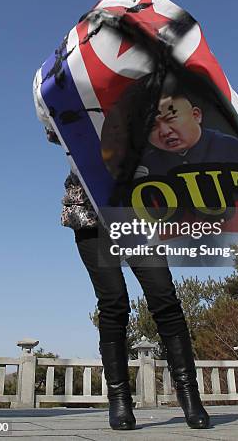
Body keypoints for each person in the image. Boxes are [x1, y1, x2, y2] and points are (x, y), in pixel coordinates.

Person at [43, 127, 210, 431]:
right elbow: (55, 131)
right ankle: (119, 399)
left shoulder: (139, 104)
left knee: (163, 297)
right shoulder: (73, 94)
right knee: (113, 301)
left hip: (136, 211)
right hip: (89, 213)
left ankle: (189, 394)